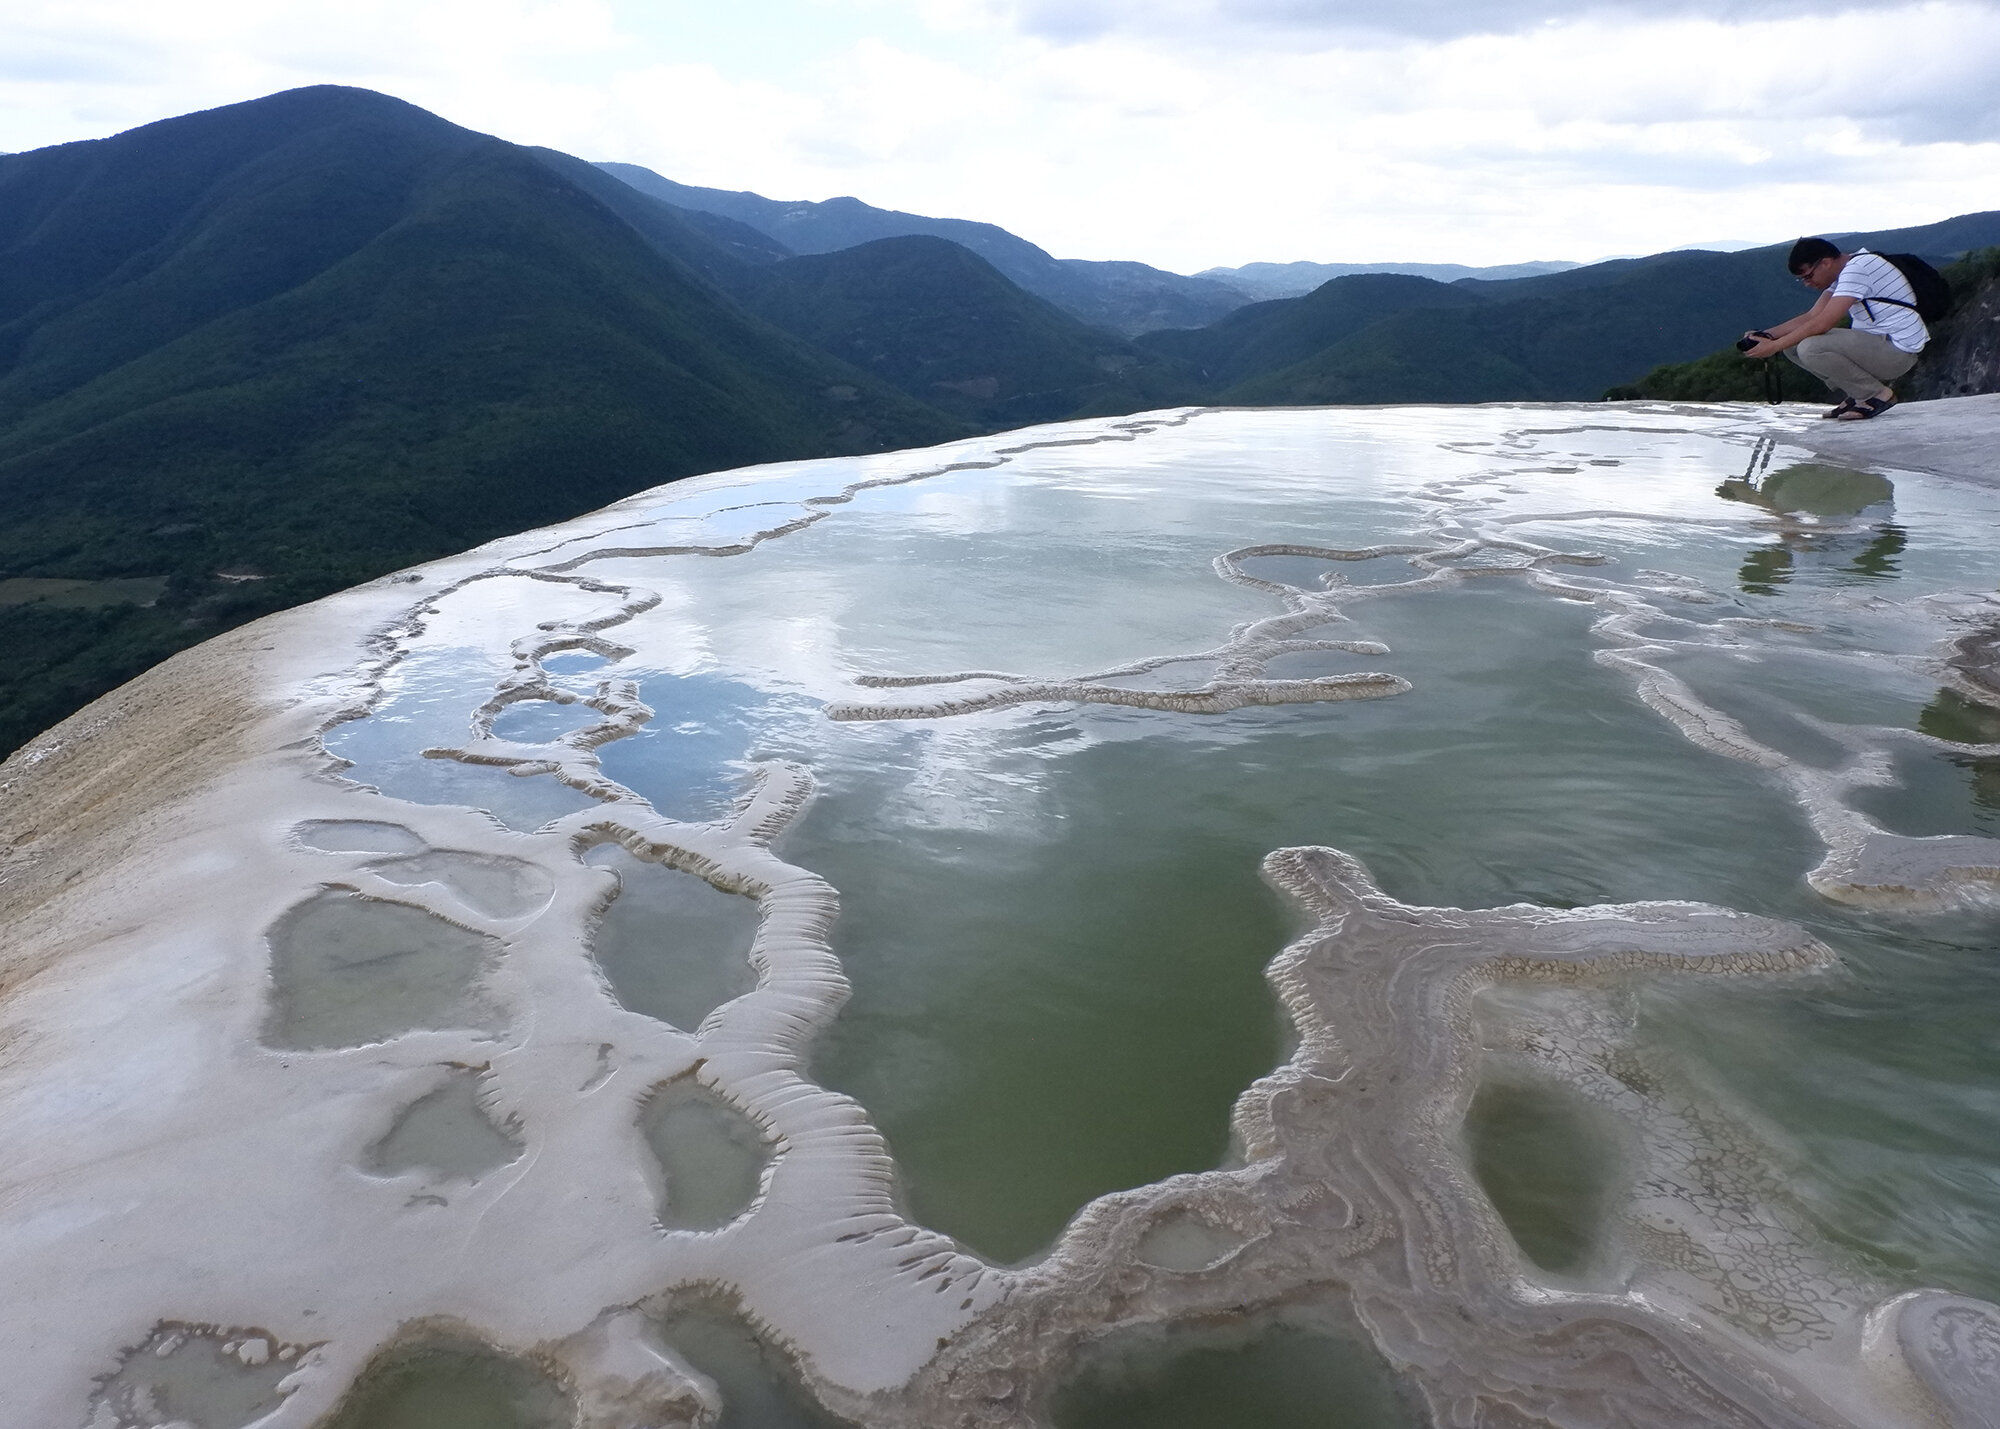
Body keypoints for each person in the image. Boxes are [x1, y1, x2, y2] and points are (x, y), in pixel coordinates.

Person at [1741, 237, 1928, 420]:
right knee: (1791, 344)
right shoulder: (1847, 269)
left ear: (1826, 263)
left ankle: (1875, 394)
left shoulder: (1858, 269)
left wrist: (1773, 347)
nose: (1807, 283)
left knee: (1810, 348)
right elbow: (1812, 316)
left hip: (1896, 353)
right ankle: (1857, 394)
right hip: (1878, 346)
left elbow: (1824, 322)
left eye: (1808, 276)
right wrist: (1768, 335)